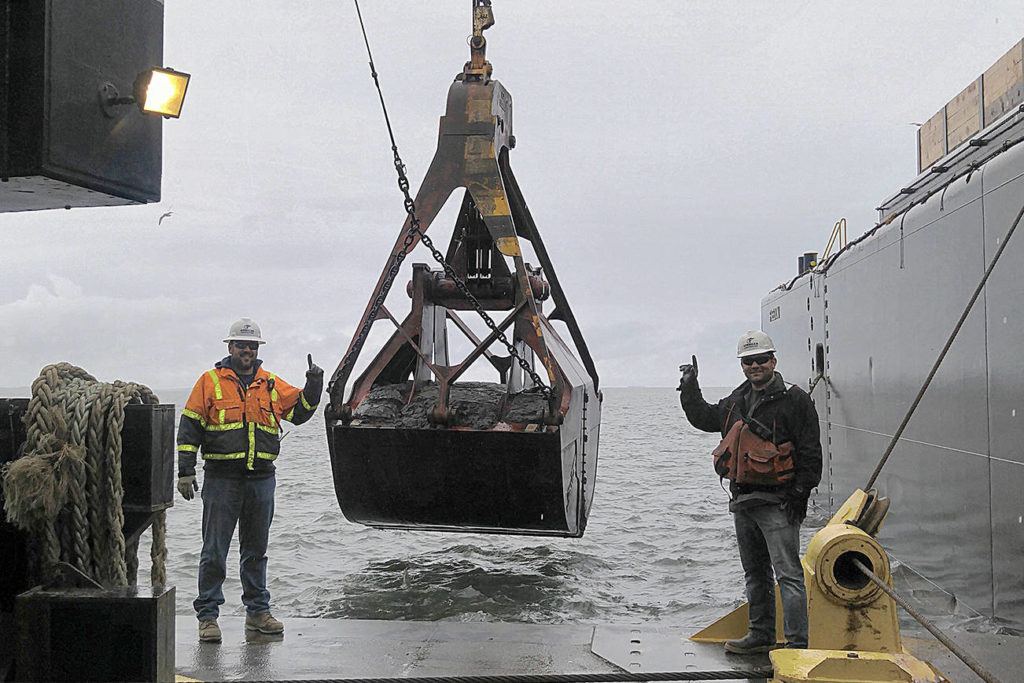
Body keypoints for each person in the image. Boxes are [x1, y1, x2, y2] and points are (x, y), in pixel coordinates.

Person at [176, 317, 323, 643]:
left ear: (257, 350)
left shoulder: (270, 383)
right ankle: (208, 617)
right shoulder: (209, 382)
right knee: (214, 551)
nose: (246, 350)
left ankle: (258, 613)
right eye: (241, 345)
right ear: (230, 347)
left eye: (252, 346)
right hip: (221, 480)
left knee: (256, 552)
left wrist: (314, 385)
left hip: (261, 480)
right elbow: (189, 427)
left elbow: (300, 412)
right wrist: (185, 470)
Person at [677, 330, 821, 653]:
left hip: (779, 505)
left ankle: (797, 645)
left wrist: (799, 495)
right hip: (743, 503)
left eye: (760, 360)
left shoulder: (795, 401)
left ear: (773, 361)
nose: (754, 366)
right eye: (748, 361)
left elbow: (811, 454)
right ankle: (761, 635)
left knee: (789, 576)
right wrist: (689, 387)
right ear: (743, 365)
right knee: (755, 574)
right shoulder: (737, 400)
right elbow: (705, 417)